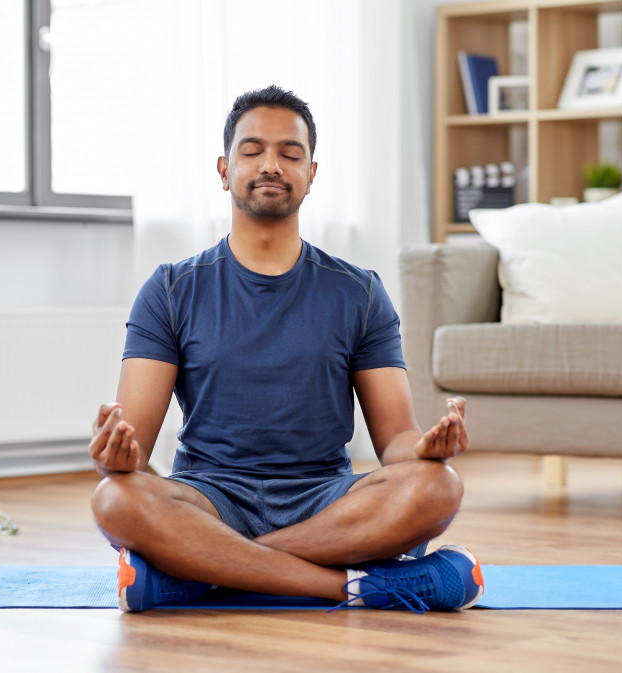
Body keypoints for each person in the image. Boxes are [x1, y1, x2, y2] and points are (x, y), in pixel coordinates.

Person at [89, 85, 482, 613]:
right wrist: (116, 454)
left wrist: (426, 451)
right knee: (115, 498)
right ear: (225, 170)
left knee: (439, 488)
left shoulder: (359, 292)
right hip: (209, 498)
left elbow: (396, 441)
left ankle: (201, 573)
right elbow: (131, 453)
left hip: (324, 500)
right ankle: (360, 586)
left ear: (310, 175)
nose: (271, 164)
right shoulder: (170, 289)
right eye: (252, 151)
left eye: (289, 154)